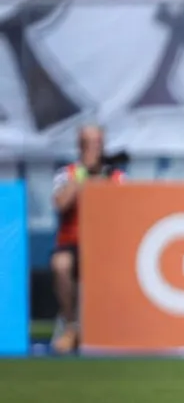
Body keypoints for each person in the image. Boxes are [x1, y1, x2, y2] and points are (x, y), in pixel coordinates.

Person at [50, 125, 126, 354]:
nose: (93, 148)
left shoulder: (116, 176)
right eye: (87, 143)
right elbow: (61, 204)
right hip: (73, 242)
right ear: (80, 146)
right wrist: (82, 175)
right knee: (60, 265)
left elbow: (127, 208)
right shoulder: (68, 174)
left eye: (97, 143)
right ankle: (72, 326)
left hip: (107, 244)